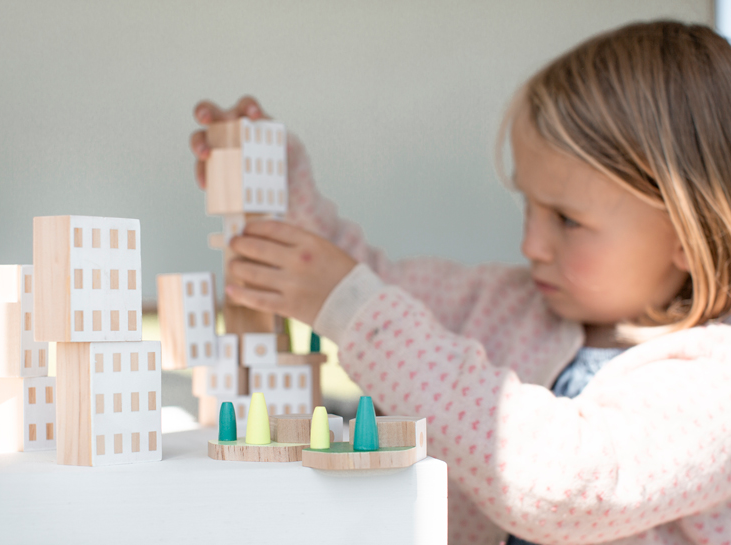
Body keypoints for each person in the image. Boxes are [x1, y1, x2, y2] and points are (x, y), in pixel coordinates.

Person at [189, 21, 731, 545]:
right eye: (529, 206)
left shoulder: (715, 383)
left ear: (689, 231)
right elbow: (365, 281)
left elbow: (571, 485)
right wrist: (277, 187)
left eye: (566, 219)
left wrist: (357, 309)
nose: (531, 245)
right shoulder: (505, 302)